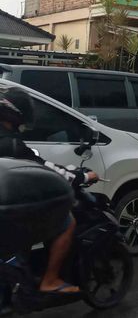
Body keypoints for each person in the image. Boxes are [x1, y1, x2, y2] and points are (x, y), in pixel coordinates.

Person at [0, 86, 98, 294]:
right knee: (66, 222)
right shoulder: (12, 146)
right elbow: (45, 169)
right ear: (16, 115)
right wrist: (82, 176)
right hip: (6, 211)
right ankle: (50, 281)